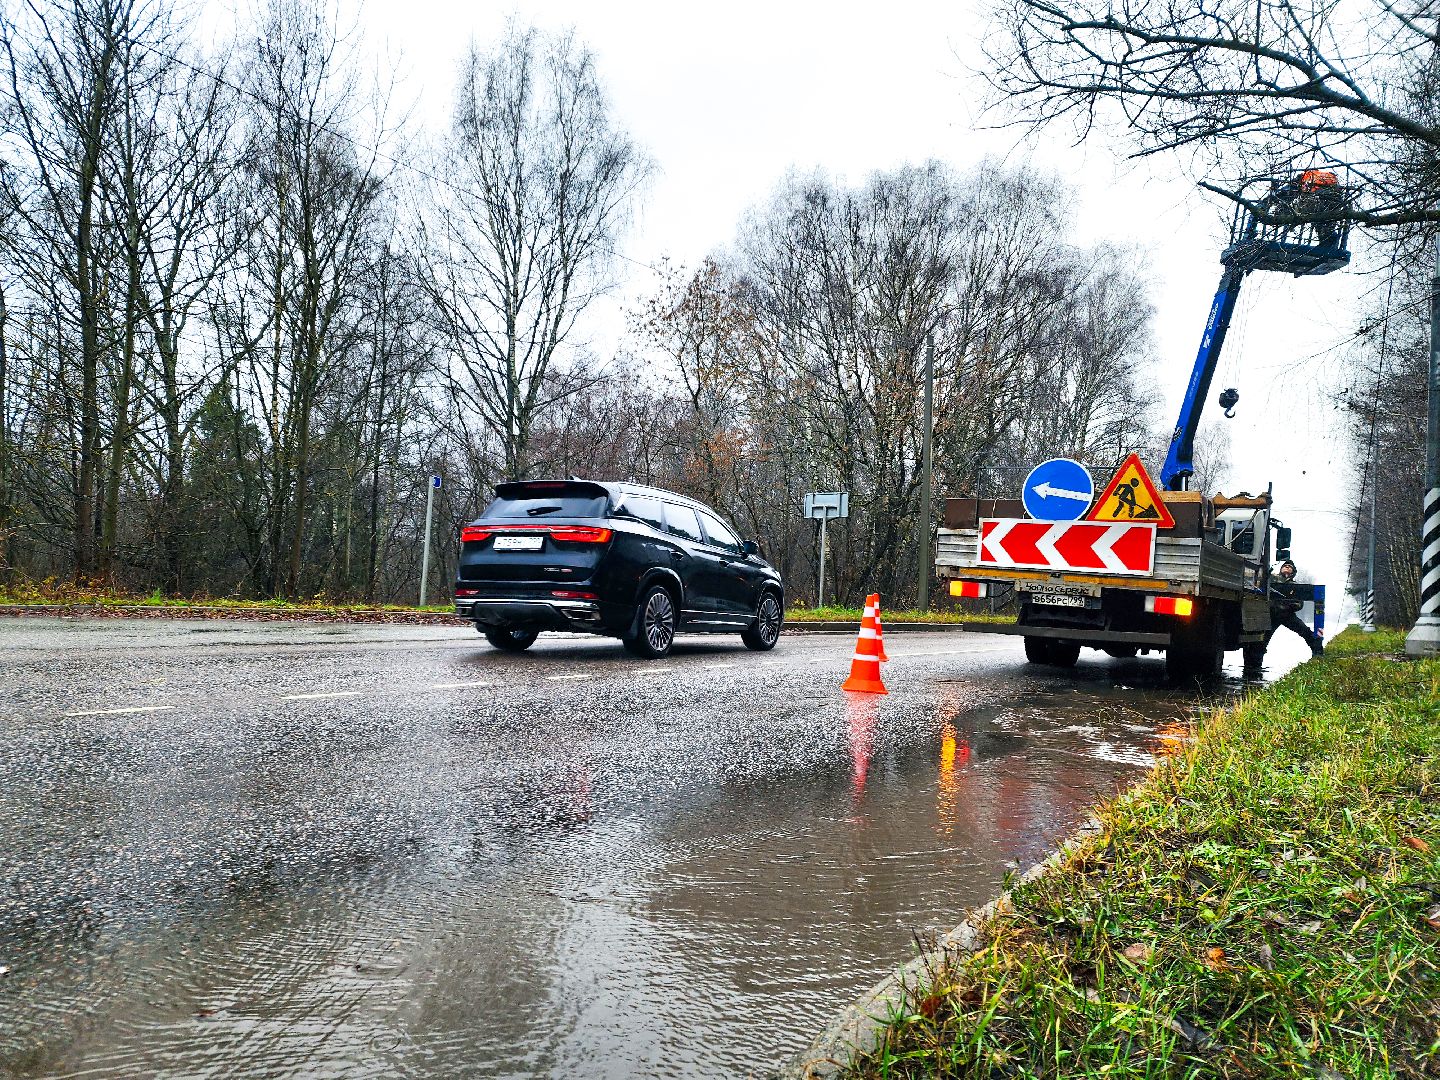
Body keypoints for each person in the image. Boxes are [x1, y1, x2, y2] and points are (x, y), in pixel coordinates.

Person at [1267, 560, 1324, 657]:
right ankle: (1254, 665)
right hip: (1272, 614)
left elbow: (1299, 603)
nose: (1287, 568)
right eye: (1285, 566)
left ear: (1293, 572)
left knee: (1305, 631)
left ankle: (1318, 653)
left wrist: (1290, 607)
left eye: (1290, 567)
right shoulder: (1272, 578)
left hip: (1287, 614)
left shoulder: (1295, 585)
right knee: (1263, 638)